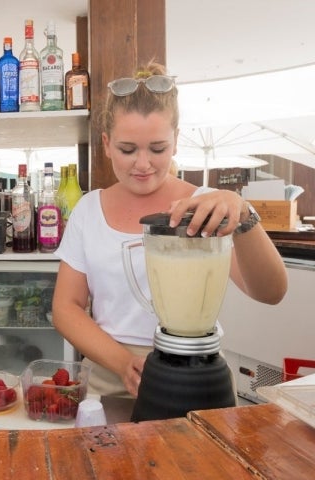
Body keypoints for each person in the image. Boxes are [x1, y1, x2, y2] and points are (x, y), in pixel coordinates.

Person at [51, 62, 288, 399]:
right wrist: (123, 363)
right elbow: (66, 307)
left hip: (196, 371)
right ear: (106, 144)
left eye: (158, 149)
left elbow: (271, 292)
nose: (143, 163)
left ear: (176, 142)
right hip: (107, 373)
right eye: (127, 149)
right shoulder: (89, 210)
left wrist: (244, 214)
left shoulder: (205, 207)